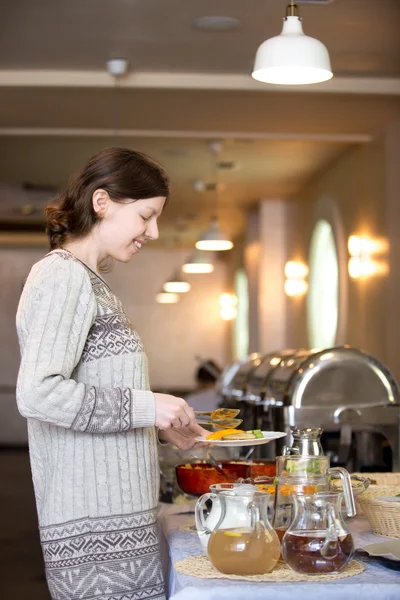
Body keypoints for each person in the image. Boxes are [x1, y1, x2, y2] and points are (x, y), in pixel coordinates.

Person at [15, 147, 208, 600]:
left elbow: (97, 394)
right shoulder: (61, 276)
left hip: (117, 525)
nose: (153, 232)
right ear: (102, 203)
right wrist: (148, 405)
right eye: (146, 216)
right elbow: (38, 395)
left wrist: (159, 424)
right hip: (95, 535)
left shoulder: (91, 283)